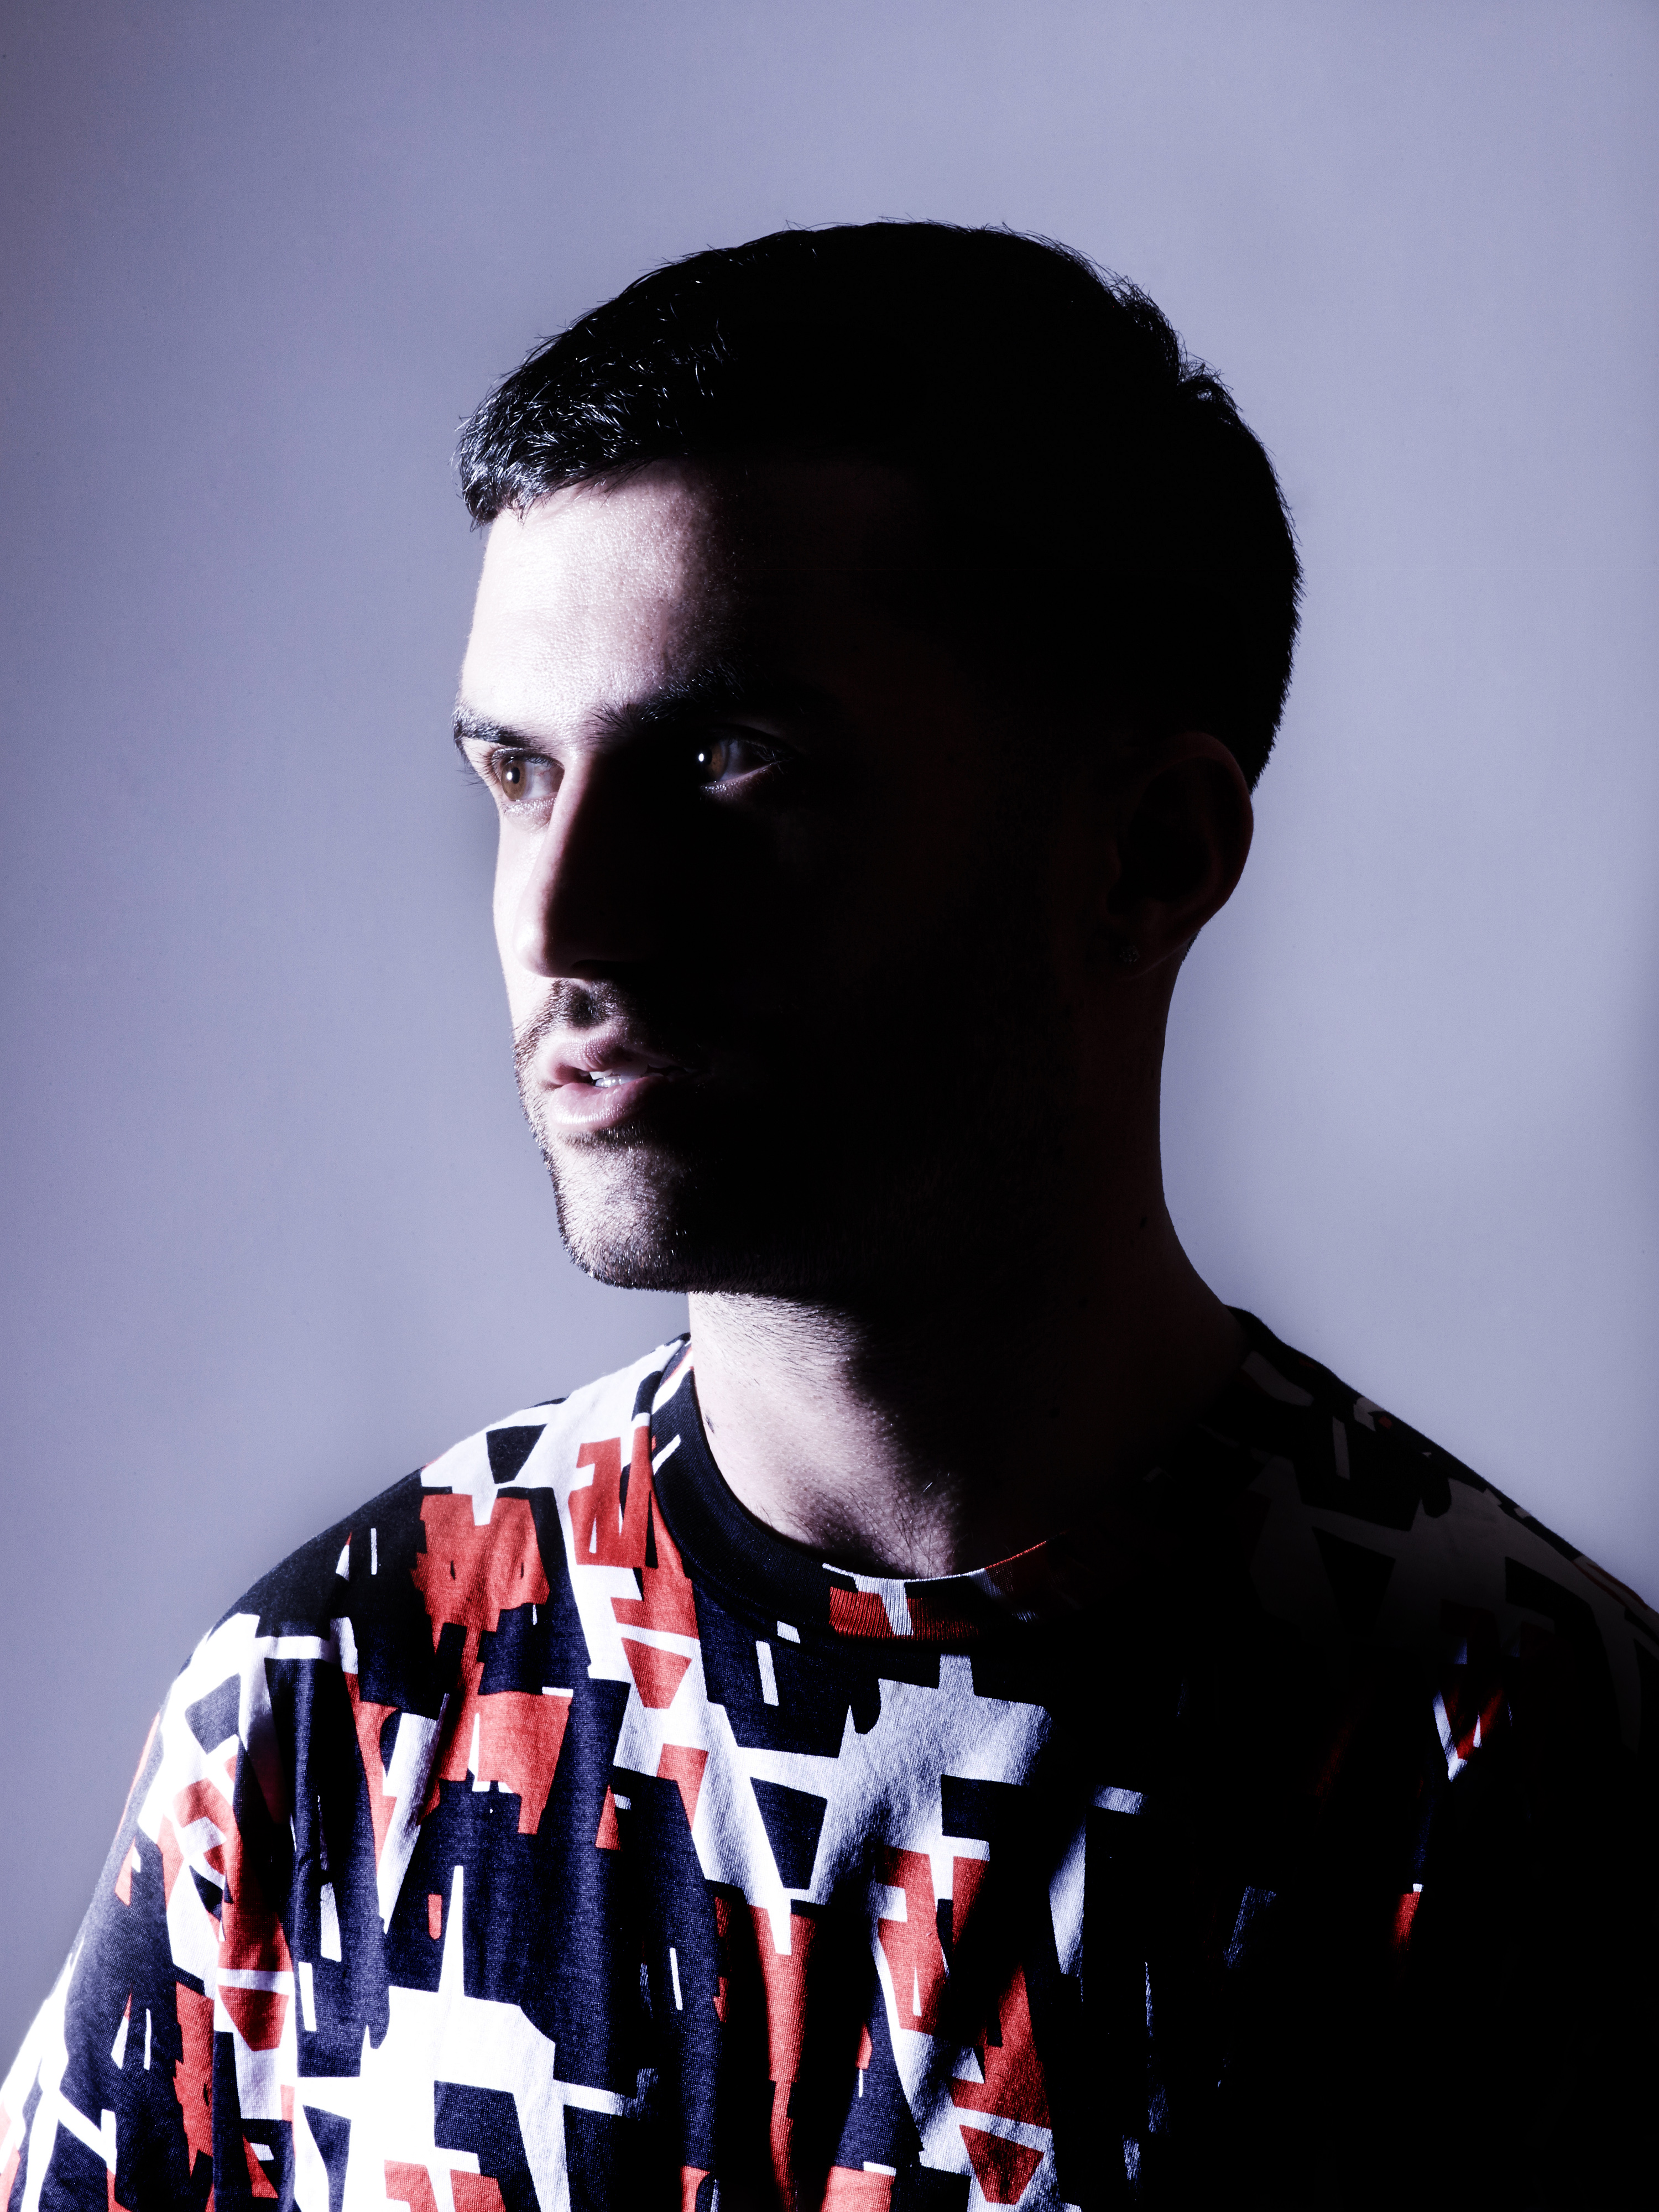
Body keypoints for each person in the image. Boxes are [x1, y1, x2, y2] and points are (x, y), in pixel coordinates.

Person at [2, 222, 1652, 2212]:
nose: (562, 920)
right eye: (518, 774)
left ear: (1150, 854)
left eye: (725, 760)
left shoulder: (1524, 1773)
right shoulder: (332, 1707)